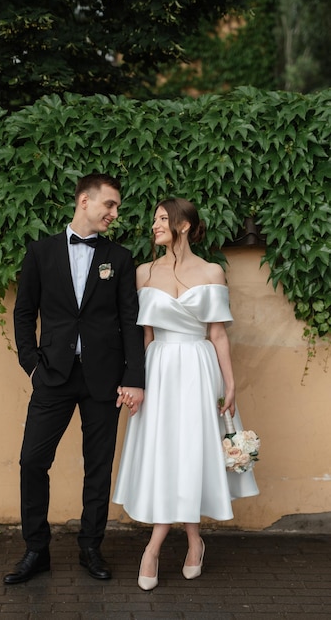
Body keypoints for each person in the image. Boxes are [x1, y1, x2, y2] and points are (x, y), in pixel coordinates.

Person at [4, 173, 145, 585]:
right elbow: (24, 312)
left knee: (98, 466)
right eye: (110, 205)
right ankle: (36, 549)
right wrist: (31, 364)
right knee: (32, 461)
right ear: (85, 200)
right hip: (53, 376)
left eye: (116, 207)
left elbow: (129, 321)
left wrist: (133, 377)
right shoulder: (40, 252)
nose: (114, 213)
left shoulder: (119, 258)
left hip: (105, 379)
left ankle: (90, 547)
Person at [113, 197, 258, 591]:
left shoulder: (212, 271)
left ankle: (156, 546)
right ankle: (189, 540)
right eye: (154, 218)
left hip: (198, 367)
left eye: (162, 218)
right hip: (158, 368)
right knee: (165, 454)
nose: (155, 224)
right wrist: (136, 383)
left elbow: (217, 332)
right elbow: (141, 336)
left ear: (183, 225)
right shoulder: (143, 273)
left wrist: (230, 385)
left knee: (191, 452)